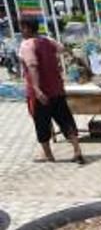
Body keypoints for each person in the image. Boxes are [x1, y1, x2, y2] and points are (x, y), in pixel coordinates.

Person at [17, 16, 84, 164]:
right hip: (57, 89)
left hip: (40, 93)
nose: (20, 31)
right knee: (65, 119)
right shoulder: (48, 41)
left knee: (41, 122)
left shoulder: (27, 45)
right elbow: (63, 49)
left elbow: (32, 67)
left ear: (27, 28)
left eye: (21, 27)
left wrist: (37, 89)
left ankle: (48, 154)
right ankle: (77, 149)